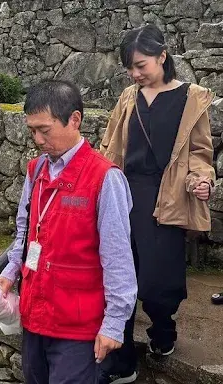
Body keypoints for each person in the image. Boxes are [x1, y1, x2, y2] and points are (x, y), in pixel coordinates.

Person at [0, 80, 138, 384]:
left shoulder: (105, 178)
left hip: (78, 325)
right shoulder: (36, 171)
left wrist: (114, 323)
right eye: (32, 131)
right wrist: (11, 269)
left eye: (44, 130)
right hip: (36, 315)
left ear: (75, 119)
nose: (37, 139)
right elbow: (26, 231)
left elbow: (118, 258)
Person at [99, 24, 216, 384]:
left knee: (158, 282)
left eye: (141, 65)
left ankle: (163, 333)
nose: (135, 74)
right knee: (119, 275)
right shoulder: (128, 98)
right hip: (124, 194)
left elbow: (199, 153)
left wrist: (203, 181)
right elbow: (111, 146)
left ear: (162, 57)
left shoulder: (191, 98)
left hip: (166, 197)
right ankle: (123, 363)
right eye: (130, 69)